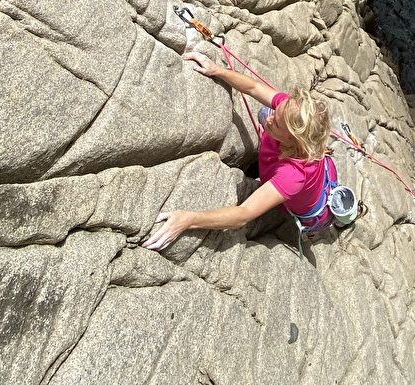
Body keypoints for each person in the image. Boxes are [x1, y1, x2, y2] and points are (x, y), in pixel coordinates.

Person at [144, 52, 336, 252]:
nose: (270, 118)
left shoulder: (292, 175)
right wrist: (217, 70)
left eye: (276, 124)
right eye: (276, 112)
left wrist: (188, 220)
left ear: (293, 140)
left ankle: (333, 222)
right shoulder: (290, 110)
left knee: (316, 216)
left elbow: (243, 214)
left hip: (313, 210)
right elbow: (253, 87)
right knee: (264, 112)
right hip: (301, 169)